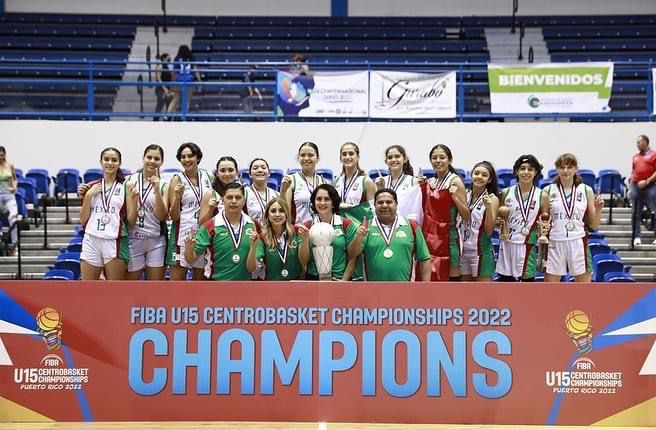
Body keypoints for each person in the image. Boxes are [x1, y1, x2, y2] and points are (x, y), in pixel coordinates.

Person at [541, 153, 604, 283]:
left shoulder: (586, 190)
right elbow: (543, 221)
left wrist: (598, 209)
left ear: (576, 169)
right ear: (556, 169)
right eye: (562, 167)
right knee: (550, 290)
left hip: (578, 241)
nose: (565, 171)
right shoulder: (548, 191)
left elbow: (593, 225)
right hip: (554, 241)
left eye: (569, 167)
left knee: (584, 289)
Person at [349, 188, 432, 282]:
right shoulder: (366, 227)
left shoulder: (412, 226)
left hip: (405, 289)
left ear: (396, 204)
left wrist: (426, 287)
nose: (384, 205)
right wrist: (358, 238)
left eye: (389, 202)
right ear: (374, 205)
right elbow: (352, 255)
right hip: (373, 289)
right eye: (380, 202)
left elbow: (424, 258)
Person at [79, 147, 135, 280]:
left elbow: (132, 221)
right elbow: (83, 220)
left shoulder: (126, 187)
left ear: (119, 163)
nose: (110, 163)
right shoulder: (91, 186)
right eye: (106, 159)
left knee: (115, 289)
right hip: (92, 239)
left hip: (114, 240)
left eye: (114, 160)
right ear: (101, 162)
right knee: (88, 288)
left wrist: (135, 201)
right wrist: (88, 196)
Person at [185, 182, 258, 281]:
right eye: (229, 197)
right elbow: (190, 259)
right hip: (216, 284)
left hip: (245, 285)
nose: (233, 201)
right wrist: (188, 248)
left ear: (244, 201)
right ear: (223, 200)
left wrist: (254, 248)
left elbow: (253, 268)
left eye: (238, 197)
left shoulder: (253, 225)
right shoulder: (210, 226)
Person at [418, 144, 470, 281]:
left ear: (450, 160)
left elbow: (466, 215)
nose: (438, 161)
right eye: (434, 158)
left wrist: (455, 198)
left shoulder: (455, 181)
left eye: (442, 157)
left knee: (451, 278)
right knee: (432, 278)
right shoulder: (431, 182)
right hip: (430, 237)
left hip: (450, 237)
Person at [166, 142, 213, 280]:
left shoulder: (209, 176)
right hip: (182, 235)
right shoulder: (177, 180)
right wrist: (177, 198)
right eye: (183, 157)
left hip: (203, 235)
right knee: (177, 286)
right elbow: (173, 216)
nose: (186, 159)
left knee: (200, 284)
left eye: (190, 156)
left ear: (198, 157)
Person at [496, 155, 546, 282]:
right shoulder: (505, 193)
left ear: (536, 172)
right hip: (507, 243)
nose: (526, 172)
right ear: (516, 171)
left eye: (530, 169)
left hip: (527, 245)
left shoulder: (542, 195)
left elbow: (545, 222)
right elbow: (498, 220)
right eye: (522, 168)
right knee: (505, 282)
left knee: (527, 284)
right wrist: (498, 222)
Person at [125, 145, 169, 280]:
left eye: (156, 158)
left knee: (155, 287)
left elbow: (162, 216)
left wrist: (157, 191)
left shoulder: (164, 185)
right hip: (133, 238)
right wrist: (133, 201)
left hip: (156, 240)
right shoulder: (129, 181)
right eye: (149, 157)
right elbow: (129, 220)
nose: (152, 161)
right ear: (143, 158)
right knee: (131, 286)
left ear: (162, 162)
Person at [302, 184, 357, 281]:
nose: (322, 203)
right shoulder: (307, 226)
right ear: (314, 202)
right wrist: (305, 239)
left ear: (333, 203)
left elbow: (353, 258)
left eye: (327, 199)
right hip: (313, 280)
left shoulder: (346, 225)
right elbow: (303, 261)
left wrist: (343, 282)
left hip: (340, 280)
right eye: (318, 199)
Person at [459, 161, 499, 281]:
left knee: (482, 291)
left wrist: (488, 208)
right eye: (476, 173)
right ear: (471, 175)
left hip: (481, 251)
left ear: (489, 179)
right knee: (464, 290)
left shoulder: (492, 199)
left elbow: (489, 230)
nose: (479, 177)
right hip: (463, 250)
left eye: (484, 175)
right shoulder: (465, 194)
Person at [250, 198, 306, 281]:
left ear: (286, 214)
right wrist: (253, 248)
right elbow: (253, 268)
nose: (277, 214)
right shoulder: (262, 238)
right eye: (273, 211)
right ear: (267, 215)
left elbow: (304, 261)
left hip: (295, 282)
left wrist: (305, 240)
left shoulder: (297, 232)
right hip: (272, 284)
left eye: (281, 211)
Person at [281, 142, 327, 224]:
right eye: (302, 155)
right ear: (298, 158)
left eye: (310, 155)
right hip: (299, 229)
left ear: (317, 158)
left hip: (320, 229)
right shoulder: (291, 180)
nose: (306, 158)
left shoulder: (323, 182)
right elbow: (285, 211)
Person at [630, 134, 656, 246]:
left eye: (639, 142)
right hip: (636, 187)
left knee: (654, 211)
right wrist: (630, 186)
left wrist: (647, 181)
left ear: (645, 142)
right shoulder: (635, 157)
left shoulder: (653, 155)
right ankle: (636, 237)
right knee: (635, 212)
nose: (637, 144)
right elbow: (633, 172)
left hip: (650, 186)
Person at [198, 156, 239, 225]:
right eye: (222, 171)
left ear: (236, 172)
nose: (227, 174)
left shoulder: (242, 192)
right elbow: (201, 224)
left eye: (230, 170)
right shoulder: (210, 195)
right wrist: (210, 210)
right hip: (216, 231)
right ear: (217, 173)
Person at [167, 44, 202, 116]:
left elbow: (174, 72)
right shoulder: (191, 57)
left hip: (179, 81)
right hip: (189, 81)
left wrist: (172, 84)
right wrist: (199, 81)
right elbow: (196, 70)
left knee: (175, 100)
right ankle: (184, 117)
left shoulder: (177, 58)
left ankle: (167, 116)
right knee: (187, 101)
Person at [244, 158, 279, 224]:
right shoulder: (244, 193)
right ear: (250, 174)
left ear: (269, 173)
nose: (260, 170)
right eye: (255, 168)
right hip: (252, 229)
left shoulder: (277, 195)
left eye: (263, 168)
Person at [0, 146, 18, 255]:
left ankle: (15, 245)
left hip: (8, 195)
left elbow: (15, 179)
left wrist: (14, 187)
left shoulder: (10, 165)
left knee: (13, 217)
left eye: (2, 155)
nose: (0, 157)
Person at [154, 53, 173, 121]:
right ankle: (155, 120)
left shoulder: (168, 67)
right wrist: (164, 89)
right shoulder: (159, 66)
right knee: (160, 105)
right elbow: (158, 79)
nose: (169, 59)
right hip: (161, 89)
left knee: (169, 105)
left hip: (168, 89)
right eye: (168, 58)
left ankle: (167, 120)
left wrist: (170, 89)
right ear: (164, 58)